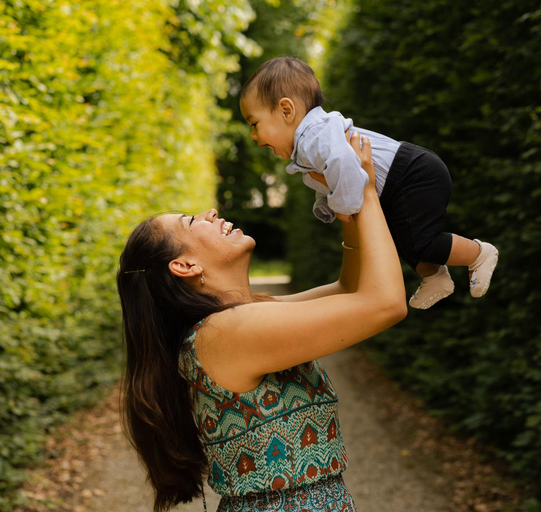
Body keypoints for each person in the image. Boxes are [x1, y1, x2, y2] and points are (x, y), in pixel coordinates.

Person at [116, 133, 405, 511]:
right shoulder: (230, 332)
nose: (210, 213)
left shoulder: (241, 319)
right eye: (191, 221)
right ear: (185, 266)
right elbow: (385, 303)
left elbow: (349, 289)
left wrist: (346, 209)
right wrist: (363, 190)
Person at [239, 56, 499, 309]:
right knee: (398, 235)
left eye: (254, 123)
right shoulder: (310, 140)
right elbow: (331, 177)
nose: (252, 135)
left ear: (286, 110)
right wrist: (327, 204)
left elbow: (343, 163)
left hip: (412, 172)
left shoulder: (313, 135)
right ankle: (434, 276)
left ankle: (478, 253)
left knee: (421, 240)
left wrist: (341, 206)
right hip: (402, 178)